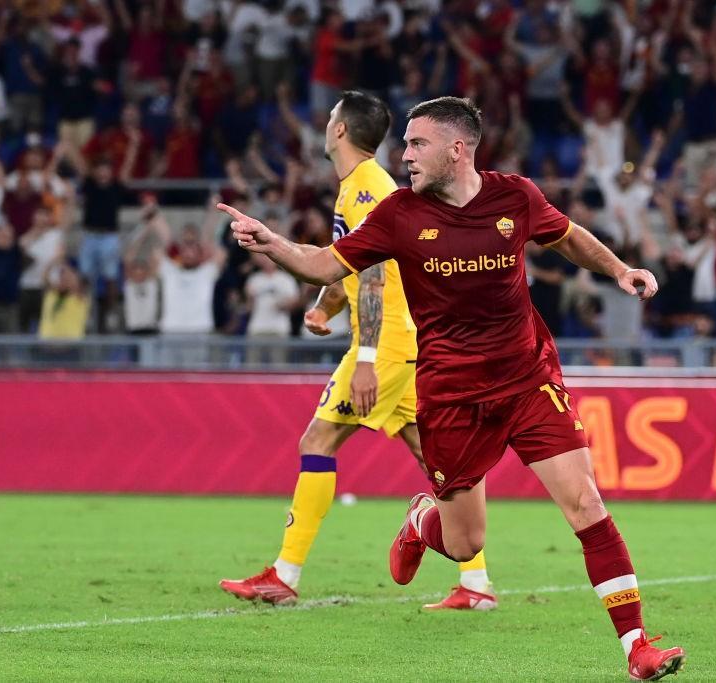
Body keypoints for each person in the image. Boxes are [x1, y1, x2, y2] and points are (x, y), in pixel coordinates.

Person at [218, 96, 686, 680]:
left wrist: (620, 269)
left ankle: (637, 647)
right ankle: (422, 521)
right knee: (464, 544)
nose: (405, 154)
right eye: (405, 143)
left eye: (417, 144)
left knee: (585, 502)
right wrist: (271, 244)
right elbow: (324, 266)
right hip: (450, 392)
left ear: (457, 149)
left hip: (527, 378)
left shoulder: (514, 196)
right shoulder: (396, 213)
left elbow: (566, 236)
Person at [219, 92, 498, 612]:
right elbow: (353, 260)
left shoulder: (367, 187)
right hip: (405, 341)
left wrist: (366, 357)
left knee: (317, 440)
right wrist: (326, 306)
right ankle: (477, 584)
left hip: (387, 344)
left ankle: (284, 574)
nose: (324, 126)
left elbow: (371, 274)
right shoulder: (361, 186)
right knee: (433, 456)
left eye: (328, 119)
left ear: (341, 130)